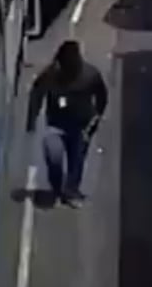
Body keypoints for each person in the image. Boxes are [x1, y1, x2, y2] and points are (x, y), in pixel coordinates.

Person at [25, 41, 108, 206]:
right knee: (53, 155)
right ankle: (57, 187)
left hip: (81, 126)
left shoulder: (90, 75)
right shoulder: (51, 74)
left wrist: (95, 119)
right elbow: (37, 92)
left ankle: (71, 191)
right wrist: (31, 120)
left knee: (77, 159)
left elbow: (102, 97)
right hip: (56, 125)